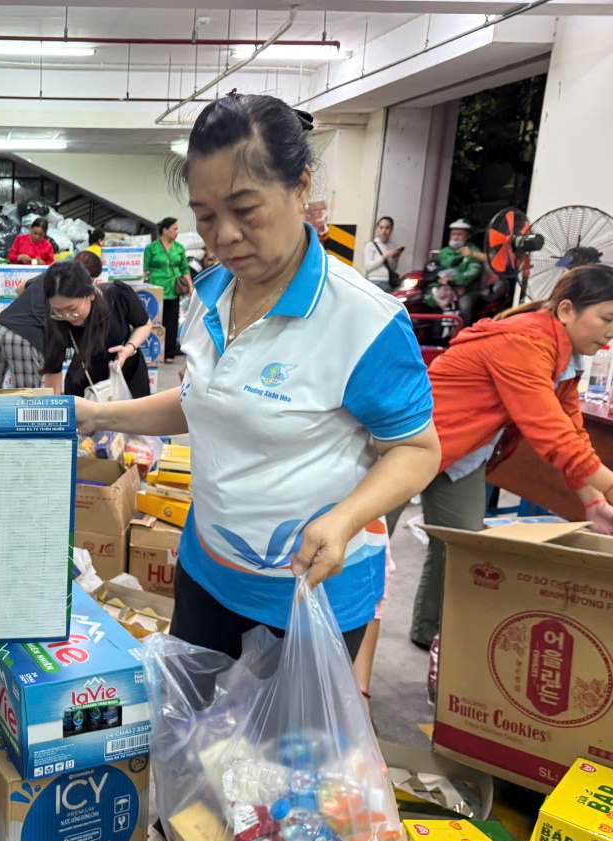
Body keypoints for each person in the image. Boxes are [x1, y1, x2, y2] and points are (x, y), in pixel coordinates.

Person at [76, 92, 440, 660]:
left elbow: (417, 451)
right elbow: (204, 401)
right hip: (207, 568)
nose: (223, 236)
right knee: (198, 738)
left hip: (305, 591)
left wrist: (345, 521)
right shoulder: (212, 294)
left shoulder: (363, 320)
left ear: (301, 187)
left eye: (245, 210)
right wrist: (97, 413)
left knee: (285, 751)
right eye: (205, 216)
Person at [385, 264, 613, 649]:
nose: (610, 332)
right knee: (366, 546)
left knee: (460, 549)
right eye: (607, 318)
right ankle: (329, 642)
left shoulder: (565, 357)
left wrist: (591, 499)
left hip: (463, 455)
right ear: (567, 311)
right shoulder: (524, 341)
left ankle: (435, 638)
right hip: (408, 446)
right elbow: (549, 430)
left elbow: (571, 429)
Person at [0, 250, 104, 391]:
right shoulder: (72, 296)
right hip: (25, 337)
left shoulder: (51, 278)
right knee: (30, 400)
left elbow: (19, 289)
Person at [42, 257, 152, 400]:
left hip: (127, 378)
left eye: (72, 308)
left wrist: (129, 348)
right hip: (85, 389)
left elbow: (144, 324)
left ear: (90, 294)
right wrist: (54, 409)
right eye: (58, 310)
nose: (67, 316)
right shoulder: (54, 320)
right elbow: (53, 371)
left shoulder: (117, 296)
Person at [144, 216, 193, 361]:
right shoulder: (151, 248)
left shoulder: (179, 248)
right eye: (174, 229)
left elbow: (185, 270)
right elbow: (145, 270)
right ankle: (155, 352)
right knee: (155, 322)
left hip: (173, 289)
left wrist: (190, 287)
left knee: (171, 322)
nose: (177, 232)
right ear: (165, 230)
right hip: (156, 290)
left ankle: (169, 354)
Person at [436, 218, 484, 319]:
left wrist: (454, 279)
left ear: (468, 236)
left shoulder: (473, 251)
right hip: (444, 287)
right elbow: (435, 268)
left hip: (467, 290)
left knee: (464, 308)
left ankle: (462, 332)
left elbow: (473, 272)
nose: (456, 237)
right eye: (453, 234)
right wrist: (437, 279)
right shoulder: (444, 251)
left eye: (459, 234)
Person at [364, 216, 403, 291]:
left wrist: (396, 259)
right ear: (377, 229)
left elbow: (392, 268)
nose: (383, 231)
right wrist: (385, 256)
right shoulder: (371, 245)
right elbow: (368, 267)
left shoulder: (392, 245)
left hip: (388, 282)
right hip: (374, 282)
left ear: (391, 230)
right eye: (381, 227)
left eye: (387, 228)